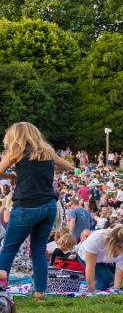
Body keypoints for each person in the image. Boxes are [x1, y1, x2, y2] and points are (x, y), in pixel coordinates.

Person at [0, 123, 75, 300]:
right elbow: (68, 167)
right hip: (48, 205)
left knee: (9, 248)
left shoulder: (15, 153)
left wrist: (11, 176)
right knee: (38, 250)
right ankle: (40, 292)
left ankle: (1, 289)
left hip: (26, 206)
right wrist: (47, 169)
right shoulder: (47, 153)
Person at [79, 225, 123, 292]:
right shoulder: (97, 238)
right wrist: (91, 289)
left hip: (104, 260)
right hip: (85, 256)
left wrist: (116, 289)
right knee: (102, 285)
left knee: (110, 283)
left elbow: (120, 269)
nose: (121, 251)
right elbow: (90, 266)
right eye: (119, 247)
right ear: (112, 242)